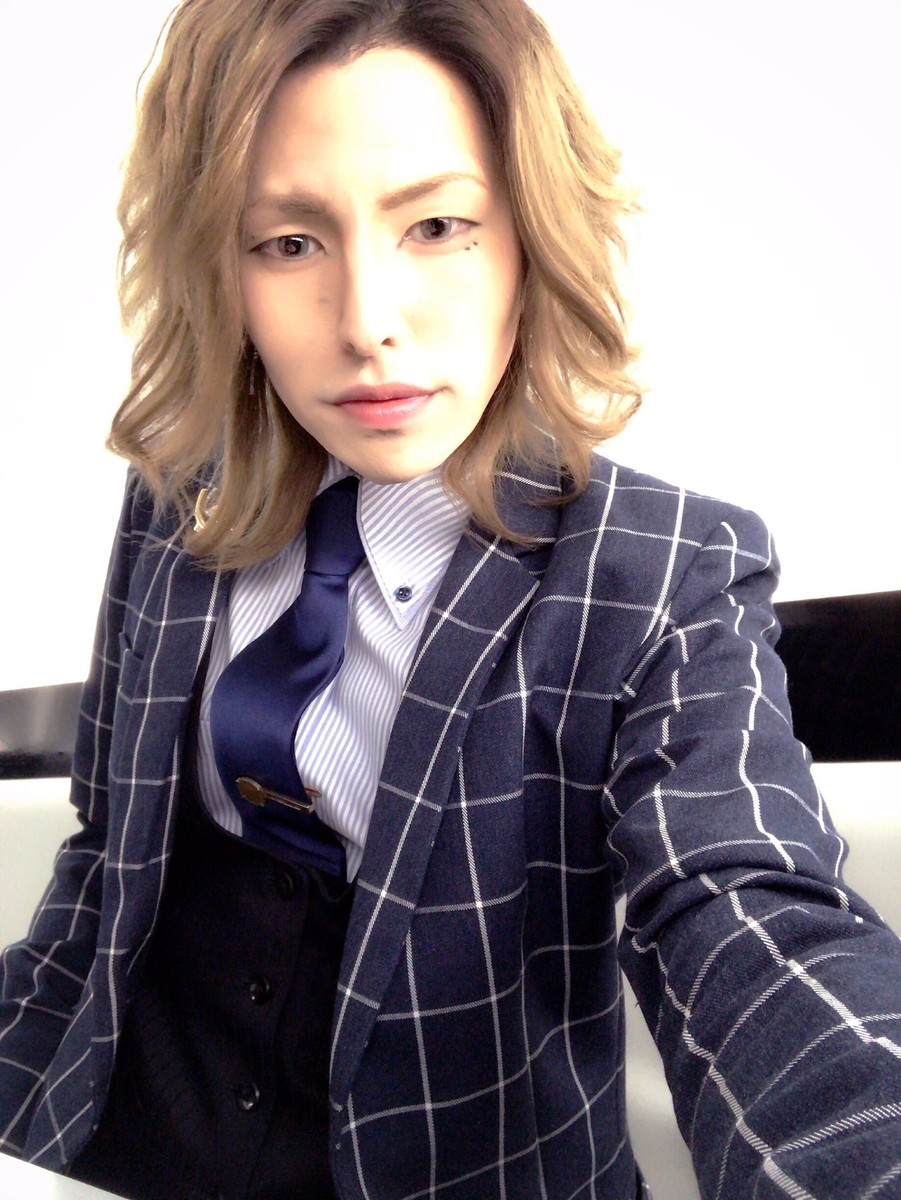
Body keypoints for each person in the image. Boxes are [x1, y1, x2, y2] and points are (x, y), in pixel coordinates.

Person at [1, 1, 900, 1197]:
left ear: (531, 234)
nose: (367, 324)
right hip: (107, 1145)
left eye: (436, 225)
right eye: (288, 242)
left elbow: (751, 915)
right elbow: (105, 856)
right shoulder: (178, 493)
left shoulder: (662, 570)